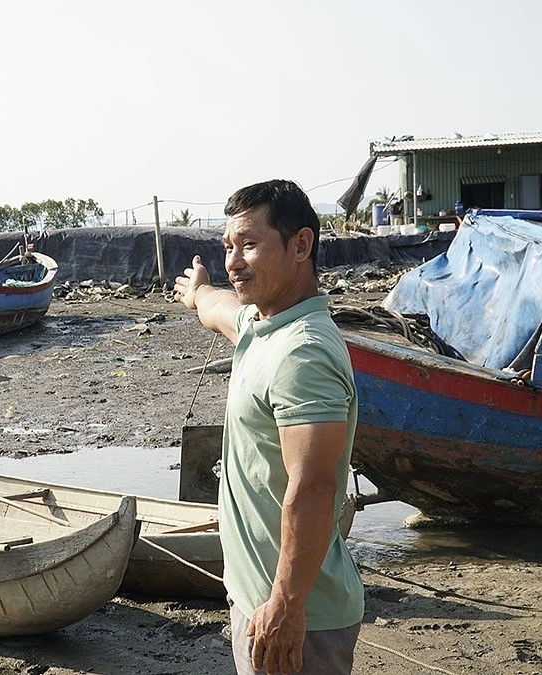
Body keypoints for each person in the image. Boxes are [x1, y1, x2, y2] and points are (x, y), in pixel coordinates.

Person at [173, 179, 364, 675]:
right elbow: (221, 310)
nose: (234, 261)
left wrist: (285, 604)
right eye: (228, 248)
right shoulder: (263, 327)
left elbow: (316, 486)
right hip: (264, 601)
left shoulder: (302, 352)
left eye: (250, 245)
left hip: (296, 615)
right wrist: (199, 293)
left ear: (301, 245)